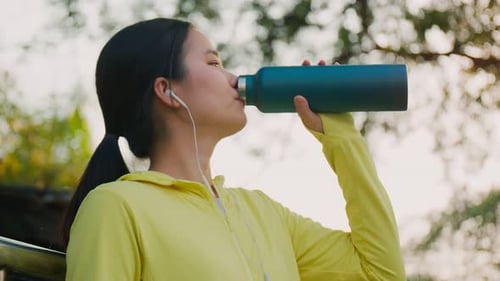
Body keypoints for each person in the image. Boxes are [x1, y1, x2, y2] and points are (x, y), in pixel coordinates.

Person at [62, 18, 406, 280]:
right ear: (167, 91)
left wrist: (342, 137)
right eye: (213, 63)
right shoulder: (116, 208)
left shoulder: (265, 213)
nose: (232, 77)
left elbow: (380, 272)